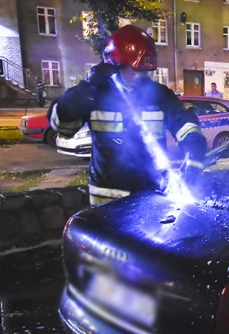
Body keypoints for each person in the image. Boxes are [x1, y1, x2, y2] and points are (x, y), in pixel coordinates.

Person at [50, 24, 206, 205]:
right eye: (133, 70)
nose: (139, 76)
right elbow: (61, 125)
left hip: (152, 198)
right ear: (113, 65)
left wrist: (194, 151)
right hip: (108, 203)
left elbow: (184, 123)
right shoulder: (96, 96)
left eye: (143, 71)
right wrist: (87, 90)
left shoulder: (160, 95)